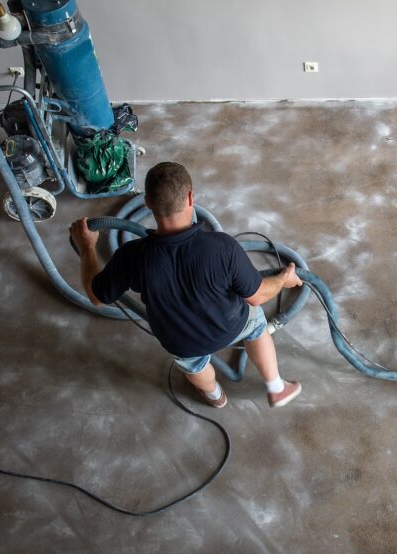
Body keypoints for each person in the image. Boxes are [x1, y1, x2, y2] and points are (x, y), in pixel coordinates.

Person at [70, 161, 304, 409]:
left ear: (148, 202)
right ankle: (276, 387)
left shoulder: (132, 256)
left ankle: (215, 396)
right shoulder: (222, 247)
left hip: (184, 342)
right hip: (231, 324)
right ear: (191, 198)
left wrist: (87, 248)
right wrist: (283, 279)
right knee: (256, 325)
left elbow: (97, 296)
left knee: (194, 366)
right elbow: (256, 296)